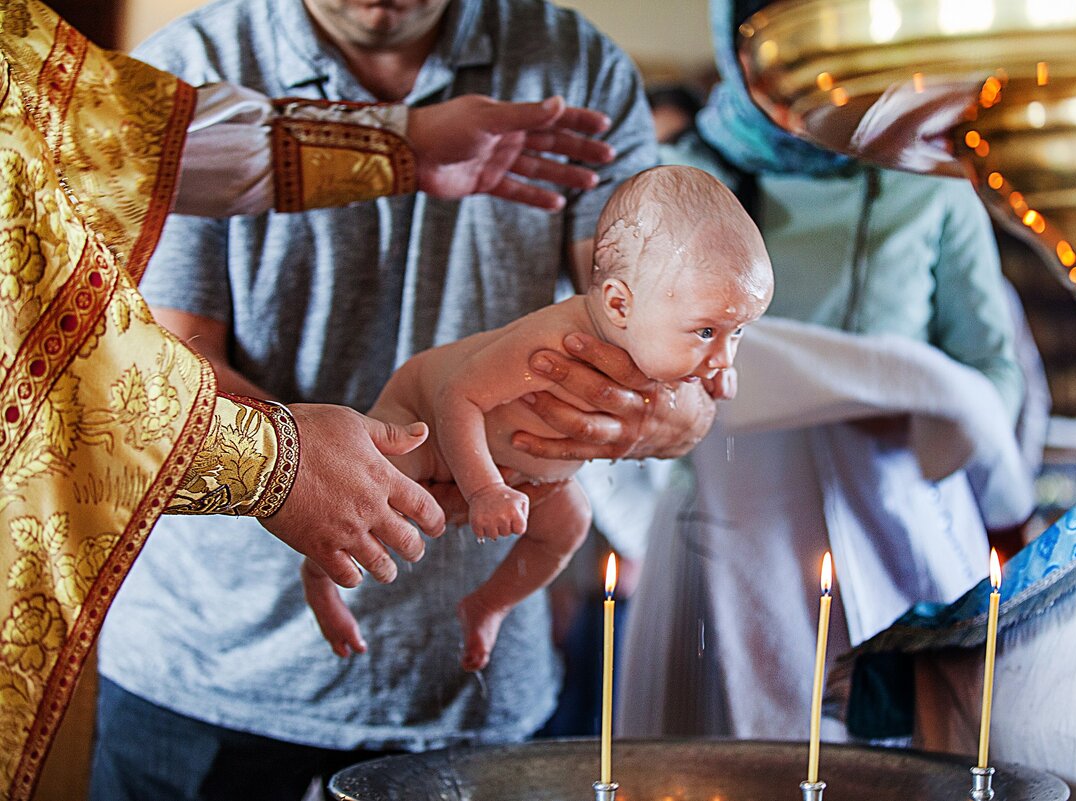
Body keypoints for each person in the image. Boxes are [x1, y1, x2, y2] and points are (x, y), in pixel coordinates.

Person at [0, 1, 630, 798]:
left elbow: (121, 130)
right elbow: (96, 362)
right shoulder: (193, 51)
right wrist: (281, 461)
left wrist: (399, 143)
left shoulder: (575, 62)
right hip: (211, 666)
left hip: (470, 693)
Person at [617, 0, 1032, 742]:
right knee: (714, 768)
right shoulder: (677, 183)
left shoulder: (931, 179)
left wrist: (911, 407)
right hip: (717, 534)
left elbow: (992, 371)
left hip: (898, 523)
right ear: (741, 45)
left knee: (899, 763)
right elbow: (629, 363)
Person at [302, 165, 772, 670]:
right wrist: (484, 490)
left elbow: (692, 387)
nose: (724, 354)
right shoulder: (552, 344)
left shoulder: (655, 331)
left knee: (568, 526)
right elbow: (459, 396)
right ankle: (318, 581)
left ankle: (489, 604)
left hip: (526, 471)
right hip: (429, 429)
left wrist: (709, 377)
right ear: (619, 304)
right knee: (369, 497)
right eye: (706, 333)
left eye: (738, 332)